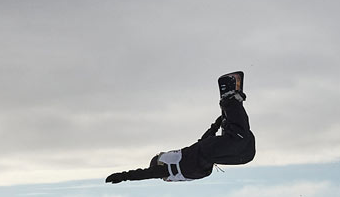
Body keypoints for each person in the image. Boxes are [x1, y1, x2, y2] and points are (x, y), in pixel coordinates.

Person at [105, 72, 255, 183]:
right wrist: (221, 120)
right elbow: (207, 136)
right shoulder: (185, 159)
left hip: (211, 150)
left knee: (239, 138)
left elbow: (144, 174)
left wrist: (123, 176)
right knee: (247, 152)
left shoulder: (167, 169)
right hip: (215, 153)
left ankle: (229, 99)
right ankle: (230, 114)